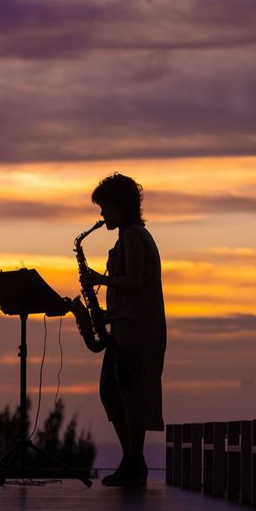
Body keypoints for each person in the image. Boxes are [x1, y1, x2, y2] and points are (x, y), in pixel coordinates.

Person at [79, 173, 166, 487]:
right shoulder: (130, 235)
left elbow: (135, 281)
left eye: (105, 207)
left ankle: (134, 462)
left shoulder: (132, 236)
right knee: (114, 392)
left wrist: (97, 281)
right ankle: (132, 460)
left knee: (128, 395)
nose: (102, 215)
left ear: (122, 206)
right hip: (127, 324)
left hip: (135, 328)